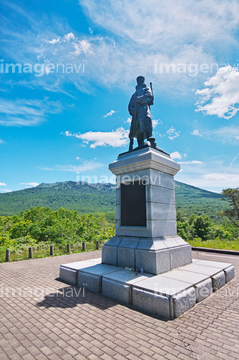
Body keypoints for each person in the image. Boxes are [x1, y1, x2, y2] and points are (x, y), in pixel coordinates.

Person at [128, 76, 154, 151]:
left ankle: (150, 138)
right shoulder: (134, 94)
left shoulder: (147, 89)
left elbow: (150, 97)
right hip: (136, 112)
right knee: (137, 127)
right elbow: (130, 105)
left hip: (144, 107)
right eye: (139, 81)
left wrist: (139, 99)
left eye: (141, 81)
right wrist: (132, 110)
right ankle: (140, 145)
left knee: (146, 119)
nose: (140, 82)